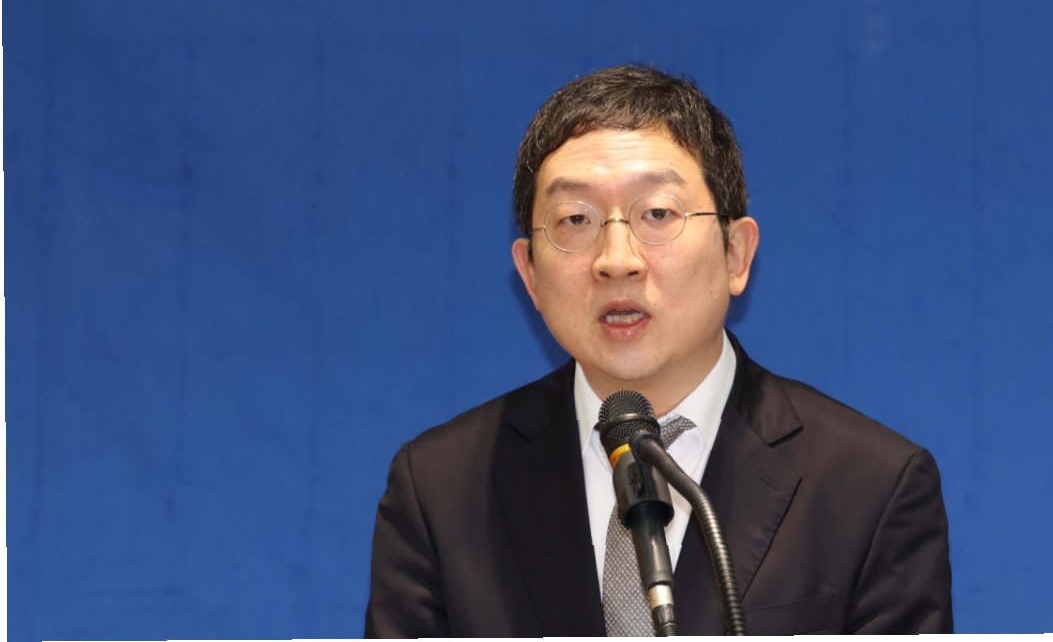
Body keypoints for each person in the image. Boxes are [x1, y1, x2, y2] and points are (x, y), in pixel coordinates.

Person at [365, 65, 953, 636]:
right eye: (575, 219)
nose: (616, 259)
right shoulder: (440, 488)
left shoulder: (869, 488)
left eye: (657, 214)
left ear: (736, 253)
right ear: (530, 274)